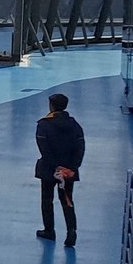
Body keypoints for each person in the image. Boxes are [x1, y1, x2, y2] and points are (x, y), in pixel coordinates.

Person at [35, 93, 86, 247]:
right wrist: (71, 168)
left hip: (49, 169)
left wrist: (55, 167)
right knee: (67, 200)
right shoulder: (75, 125)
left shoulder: (43, 125)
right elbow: (80, 148)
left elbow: (44, 149)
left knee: (47, 199)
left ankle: (49, 230)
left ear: (51, 106)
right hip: (68, 171)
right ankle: (71, 231)